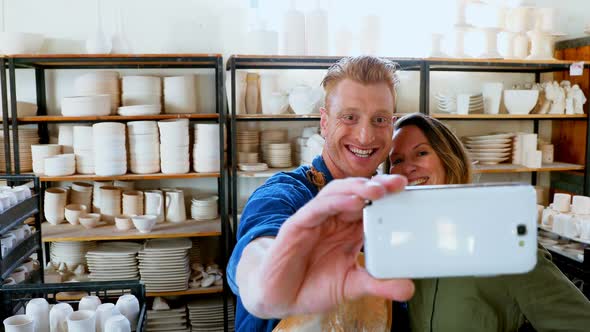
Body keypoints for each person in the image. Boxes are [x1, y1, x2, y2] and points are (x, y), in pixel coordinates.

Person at [226, 56, 415, 331]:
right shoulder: (285, 194)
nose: (365, 136)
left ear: (392, 125)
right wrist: (266, 284)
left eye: (379, 119)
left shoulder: (389, 205)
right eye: (349, 117)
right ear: (324, 123)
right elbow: (257, 252)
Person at [389, 112, 590, 331]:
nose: (407, 167)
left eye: (421, 153)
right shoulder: (404, 243)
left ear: (449, 159)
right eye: (397, 160)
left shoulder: (502, 240)